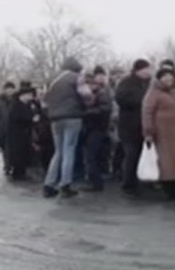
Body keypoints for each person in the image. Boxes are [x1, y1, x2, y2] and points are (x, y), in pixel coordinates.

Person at [42, 58, 93, 198]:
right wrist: (87, 104)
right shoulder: (76, 78)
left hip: (55, 119)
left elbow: (44, 100)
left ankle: (49, 184)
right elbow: (87, 95)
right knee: (69, 150)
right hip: (72, 116)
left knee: (58, 152)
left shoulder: (53, 80)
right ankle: (65, 184)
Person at [143, 66, 175, 199]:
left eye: (170, 78)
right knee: (167, 162)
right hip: (163, 134)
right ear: (159, 79)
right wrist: (148, 132)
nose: (168, 80)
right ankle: (169, 188)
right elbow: (147, 113)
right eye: (165, 78)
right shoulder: (154, 94)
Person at [114, 59, 152, 196]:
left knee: (141, 155)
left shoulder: (149, 83)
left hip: (142, 125)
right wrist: (142, 101)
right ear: (138, 70)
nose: (149, 72)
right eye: (146, 69)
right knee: (131, 155)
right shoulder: (126, 83)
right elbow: (120, 99)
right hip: (129, 126)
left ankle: (140, 181)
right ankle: (128, 183)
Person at [82, 66, 113, 192]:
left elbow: (106, 109)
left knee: (91, 156)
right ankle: (95, 180)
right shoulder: (97, 93)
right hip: (93, 127)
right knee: (91, 155)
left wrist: (87, 112)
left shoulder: (101, 93)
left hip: (97, 128)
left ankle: (96, 182)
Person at [6, 84, 40, 181]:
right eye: (28, 95)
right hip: (17, 134)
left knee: (23, 153)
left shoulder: (27, 105)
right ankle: (17, 172)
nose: (30, 97)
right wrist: (31, 119)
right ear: (22, 96)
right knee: (18, 154)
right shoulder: (16, 105)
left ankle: (22, 171)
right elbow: (17, 118)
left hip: (24, 133)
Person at [0, 81, 16, 176]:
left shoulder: (15, 100)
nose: (10, 91)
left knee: (13, 148)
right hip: (3, 129)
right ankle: (7, 166)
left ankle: (13, 165)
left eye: (11, 89)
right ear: (5, 90)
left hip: (14, 129)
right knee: (6, 149)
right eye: (8, 89)